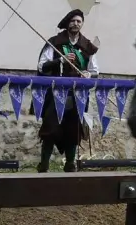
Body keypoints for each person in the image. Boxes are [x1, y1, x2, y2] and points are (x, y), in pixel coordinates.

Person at [36, 9, 99, 172]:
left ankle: (70, 164)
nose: (76, 24)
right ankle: (44, 165)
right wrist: (60, 60)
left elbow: (95, 70)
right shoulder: (55, 43)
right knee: (50, 129)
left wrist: (88, 74)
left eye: (79, 21)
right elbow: (41, 66)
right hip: (55, 94)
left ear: (82, 24)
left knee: (73, 130)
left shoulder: (87, 46)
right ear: (67, 23)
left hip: (77, 96)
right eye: (73, 21)